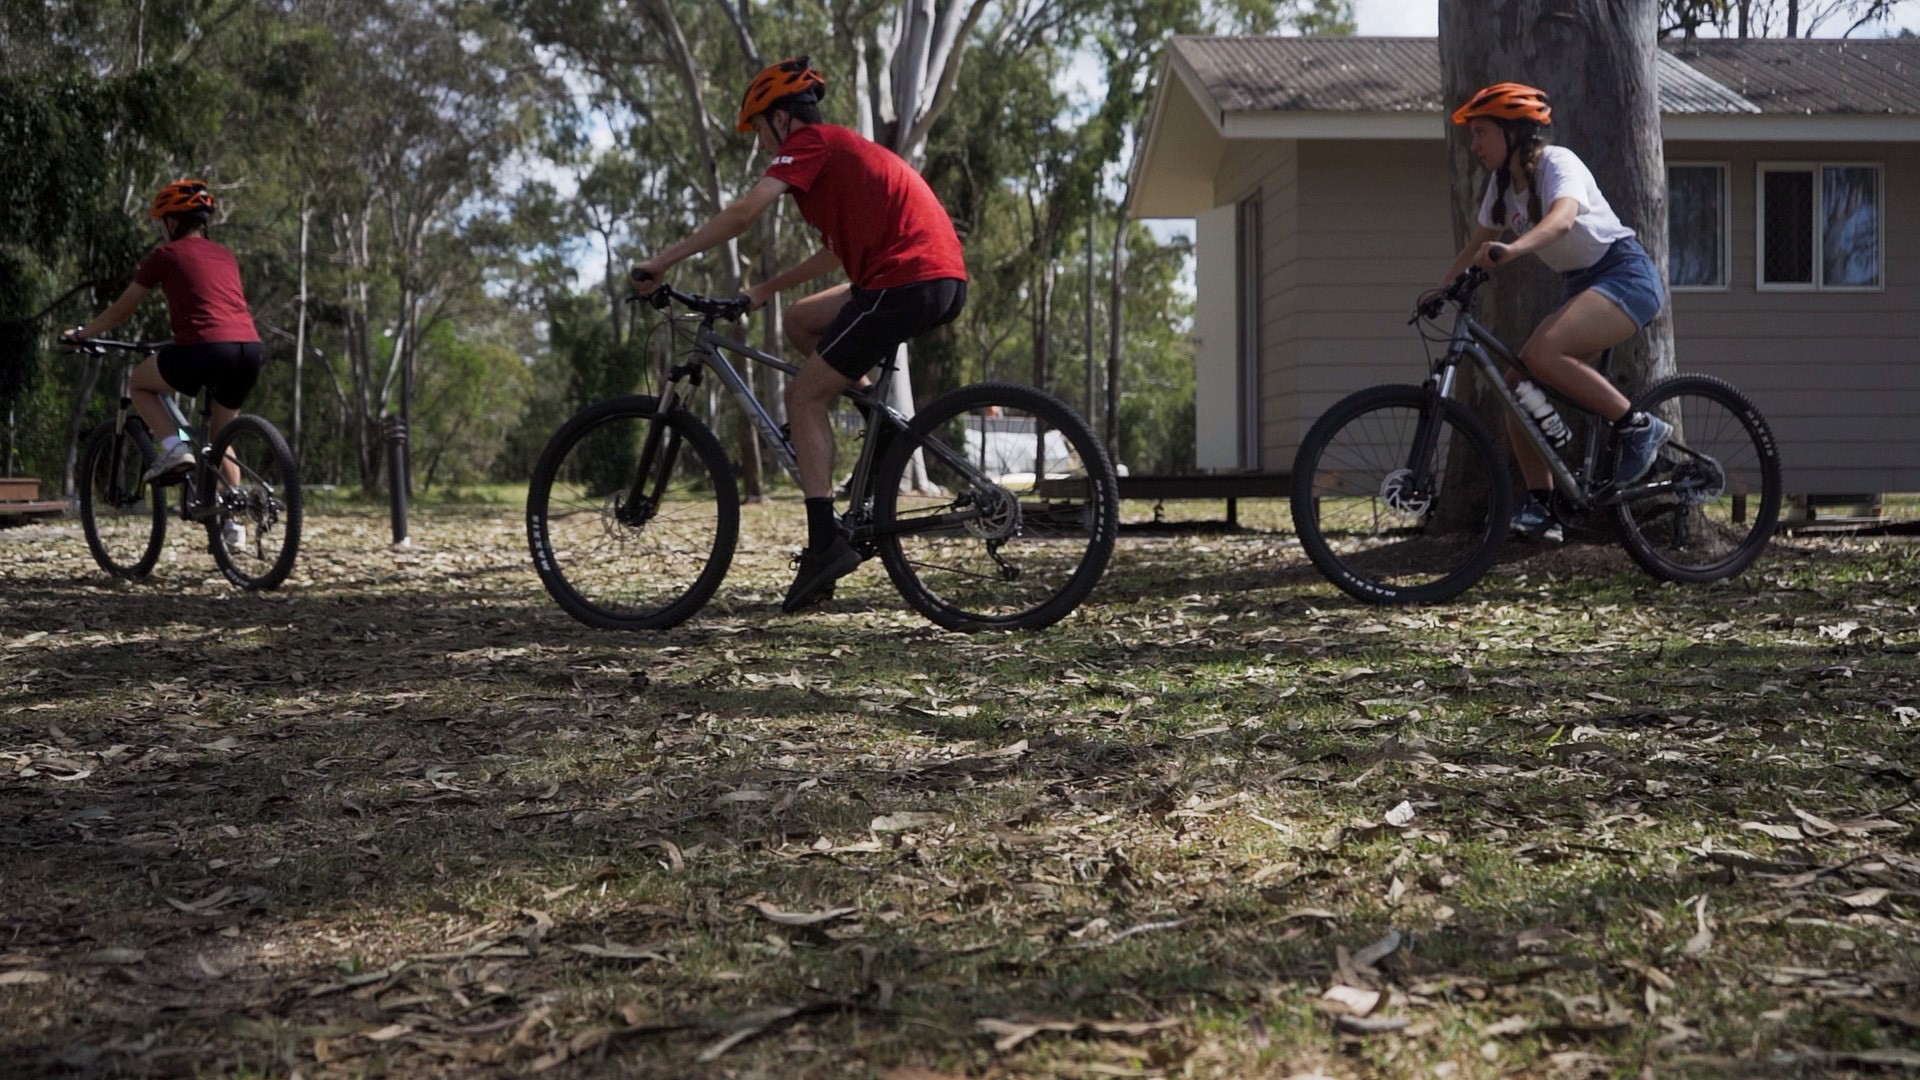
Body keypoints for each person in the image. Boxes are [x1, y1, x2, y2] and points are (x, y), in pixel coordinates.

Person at [630, 56, 969, 612]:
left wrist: (662, 262)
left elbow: (742, 215)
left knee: (804, 396)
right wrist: (763, 290)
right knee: (800, 321)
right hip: (926, 277)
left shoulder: (810, 144)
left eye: (759, 129)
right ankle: (880, 428)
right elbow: (835, 250)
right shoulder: (835, 160)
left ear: (782, 119)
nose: (761, 144)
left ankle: (823, 545)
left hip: (907, 278)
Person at [1439, 83, 1670, 544]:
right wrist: (1441, 289)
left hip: (1625, 275)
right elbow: (1475, 244)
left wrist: (1514, 248)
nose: (1474, 144)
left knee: (1541, 353)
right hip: (1584, 283)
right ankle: (1542, 507)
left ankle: (1638, 427)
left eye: (1482, 132)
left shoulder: (1556, 163)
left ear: (1514, 132)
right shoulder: (1502, 186)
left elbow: (1563, 219)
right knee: (1518, 385)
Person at [64, 179, 264, 548]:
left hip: (205, 348)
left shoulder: (165, 256)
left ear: (171, 222)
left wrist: (83, 333)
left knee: (138, 384)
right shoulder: (226, 255)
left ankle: (173, 448)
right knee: (223, 435)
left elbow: (122, 309)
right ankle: (233, 524)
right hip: (249, 348)